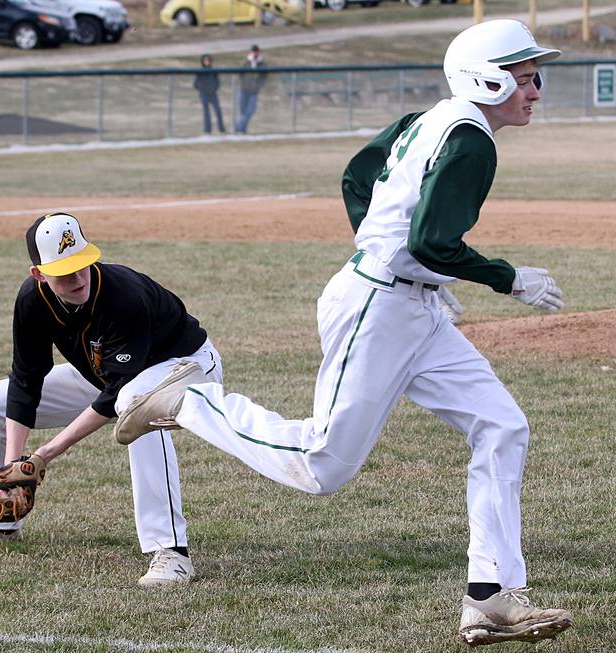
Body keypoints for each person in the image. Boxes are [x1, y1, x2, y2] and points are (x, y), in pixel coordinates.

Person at [114, 19, 573, 646]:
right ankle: (188, 401)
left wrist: (405, 264)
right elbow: (431, 240)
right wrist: (504, 277)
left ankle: (490, 595)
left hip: (405, 303)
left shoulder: (431, 117)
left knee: (502, 426)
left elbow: (360, 178)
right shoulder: (470, 140)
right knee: (320, 465)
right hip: (378, 309)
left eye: (534, 76)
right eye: (526, 79)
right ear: (486, 79)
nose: (536, 91)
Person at [0, 212, 223, 588]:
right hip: (114, 378)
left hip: (189, 369)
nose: (78, 277)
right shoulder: (32, 300)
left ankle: (171, 551)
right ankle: (0, 524)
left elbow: (119, 394)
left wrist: (42, 456)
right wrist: (13, 468)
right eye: (64, 269)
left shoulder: (122, 294)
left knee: (138, 408)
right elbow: (26, 379)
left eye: (82, 264)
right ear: (39, 274)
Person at [234, 44, 267, 134]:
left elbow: (264, 77)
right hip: (243, 89)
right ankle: (243, 130)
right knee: (243, 110)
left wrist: (258, 85)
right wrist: (241, 83)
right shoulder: (245, 62)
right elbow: (239, 73)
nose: (255, 53)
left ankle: (238, 126)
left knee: (250, 111)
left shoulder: (262, 64)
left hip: (254, 91)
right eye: (253, 51)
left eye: (256, 51)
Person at [194, 54, 226, 134]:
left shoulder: (214, 71)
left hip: (213, 94)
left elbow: (217, 82)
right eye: (205, 60)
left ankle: (221, 129)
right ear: (203, 62)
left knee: (218, 111)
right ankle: (207, 130)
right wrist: (202, 89)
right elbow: (195, 84)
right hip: (204, 94)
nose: (207, 62)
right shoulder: (200, 72)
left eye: (208, 60)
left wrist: (214, 88)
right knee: (206, 113)